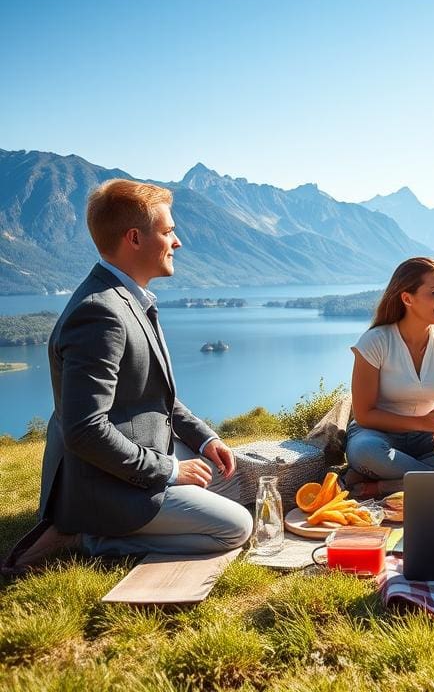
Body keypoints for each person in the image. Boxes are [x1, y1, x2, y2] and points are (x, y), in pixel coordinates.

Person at [3, 179, 251, 574]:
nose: (178, 242)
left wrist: (205, 439)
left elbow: (154, 395)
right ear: (134, 238)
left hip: (132, 452)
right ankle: (91, 537)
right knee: (236, 527)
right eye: (168, 232)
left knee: (233, 482)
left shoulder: (123, 296)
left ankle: (100, 527)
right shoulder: (100, 313)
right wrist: (170, 470)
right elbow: (84, 430)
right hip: (102, 486)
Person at [345, 257, 434, 498]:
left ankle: (388, 485)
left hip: (430, 437)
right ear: (407, 299)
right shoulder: (375, 342)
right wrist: (422, 422)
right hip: (378, 436)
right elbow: (364, 414)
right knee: (366, 451)